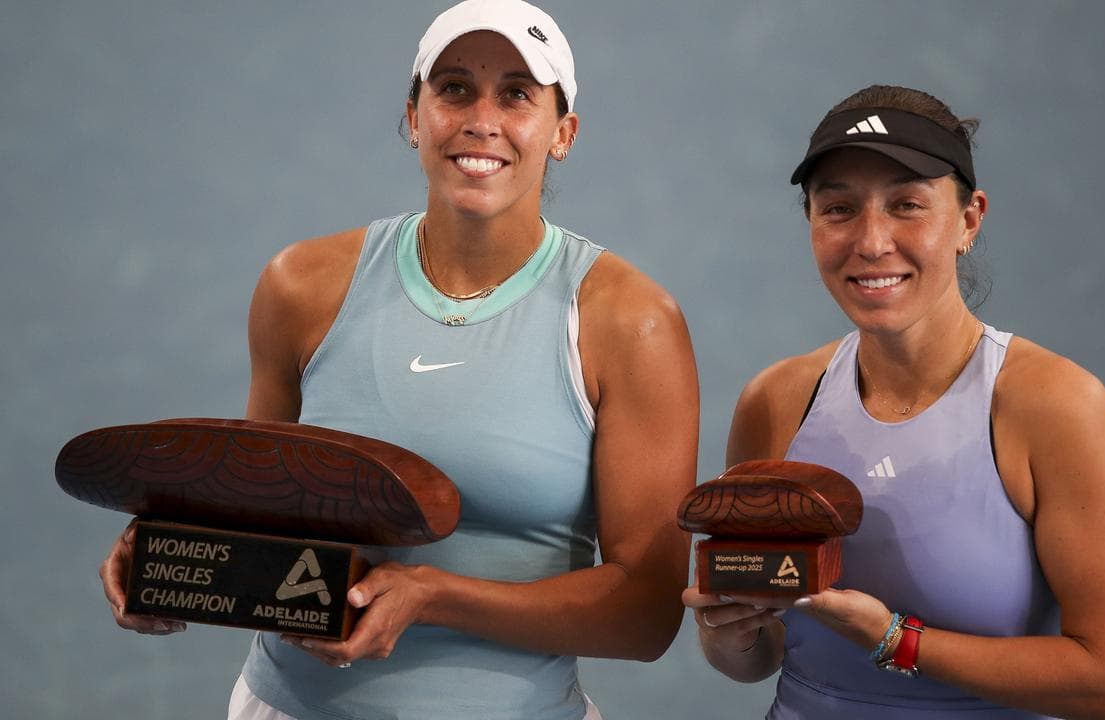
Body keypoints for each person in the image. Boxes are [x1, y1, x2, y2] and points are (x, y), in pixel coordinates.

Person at [99, 1, 699, 718]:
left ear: (563, 133)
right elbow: (260, 517)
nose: (482, 118)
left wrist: (435, 597)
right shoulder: (301, 287)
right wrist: (172, 556)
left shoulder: (632, 323)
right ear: (414, 117)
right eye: (453, 89)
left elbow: (647, 614)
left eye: (516, 94)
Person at [682, 84, 1105, 719]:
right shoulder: (776, 399)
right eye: (838, 209)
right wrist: (728, 631)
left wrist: (894, 640)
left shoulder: (1056, 406)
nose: (872, 242)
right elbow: (758, 658)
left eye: (907, 205)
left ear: (969, 219)